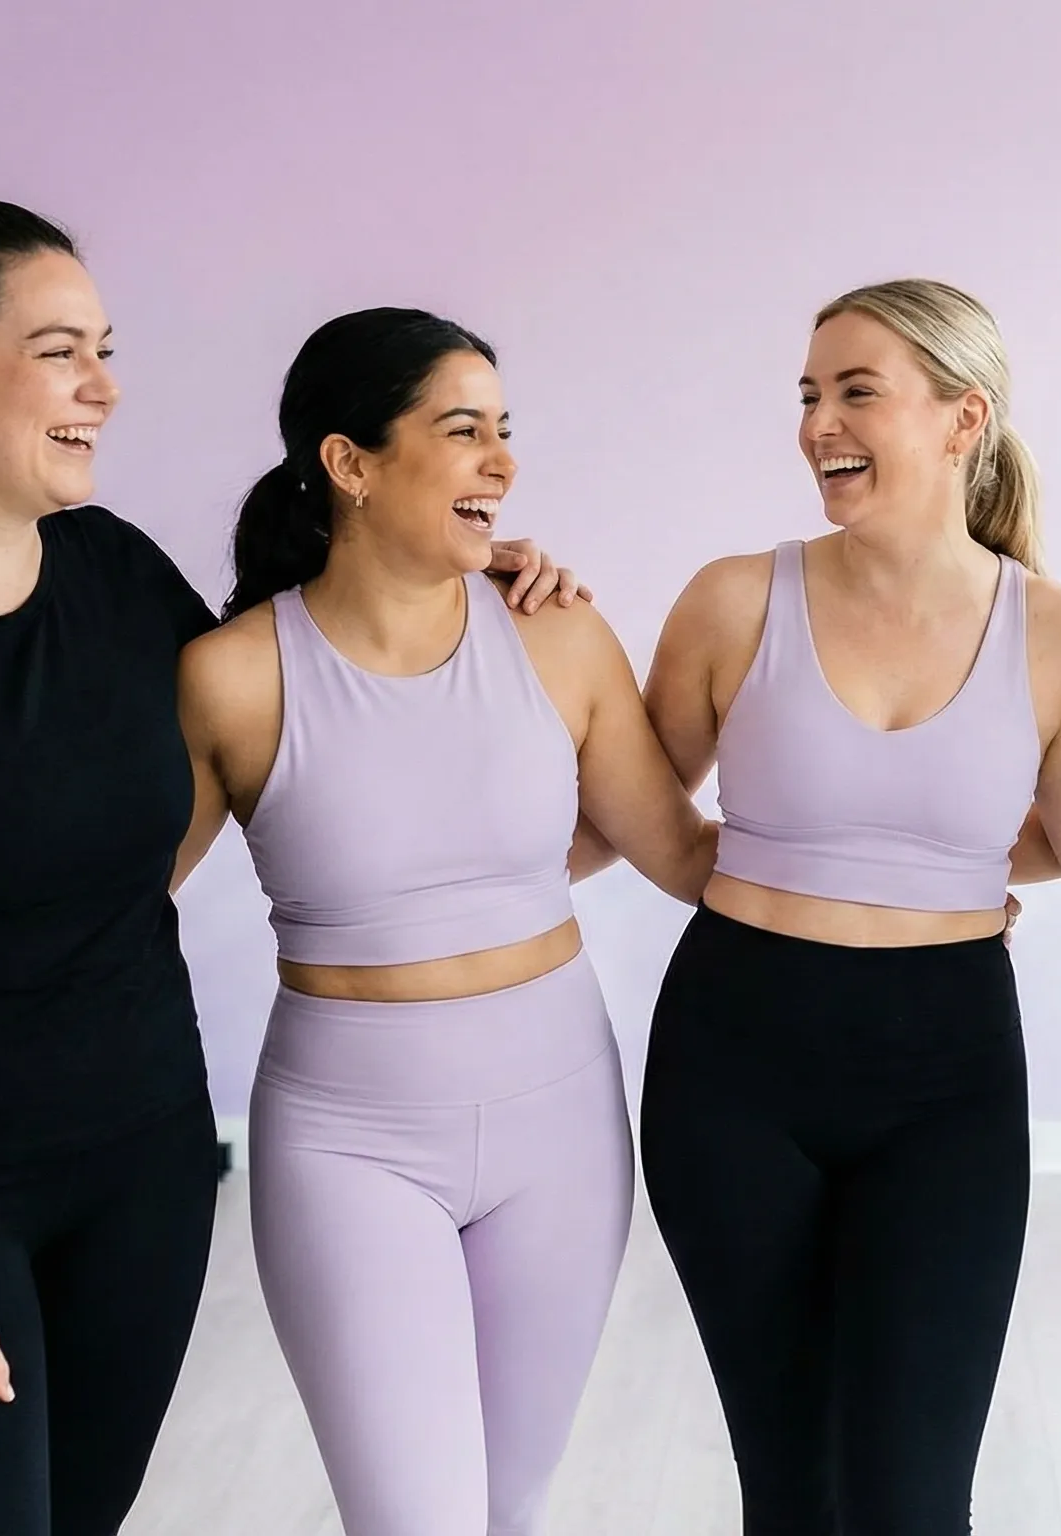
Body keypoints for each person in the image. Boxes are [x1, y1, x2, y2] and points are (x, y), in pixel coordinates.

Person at [0, 182, 576, 1535]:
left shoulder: (115, 579)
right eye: (59, 354)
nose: (101, 386)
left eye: (106, 351)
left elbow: (304, 706)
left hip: (137, 1174)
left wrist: (459, 570)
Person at [172, 308, 711, 1535]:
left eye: (504, 432)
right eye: (461, 431)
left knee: (508, 1511)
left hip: (562, 1125)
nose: (502, 462)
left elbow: (677, 851)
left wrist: (921, 874)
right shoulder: (235, 676)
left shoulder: (557, 635)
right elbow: (112, 911)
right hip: (347, 1143)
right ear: (350, 464)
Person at [637, 278, 1061, 1531]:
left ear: (961, 417)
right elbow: (629, 809)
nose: (819, 421)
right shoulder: (733, 598)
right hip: (732, 1061)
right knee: (790, 1482)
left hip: (946, 1076)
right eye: (810, 395)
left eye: (855, 391)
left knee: (914, 1497)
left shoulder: (1055, 634)